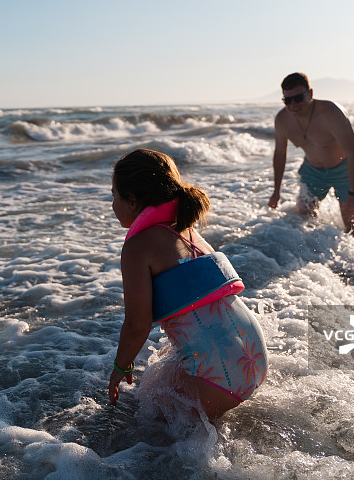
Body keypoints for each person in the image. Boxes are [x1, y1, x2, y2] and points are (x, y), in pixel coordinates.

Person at [108, 148, 268, 420]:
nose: (112, 204)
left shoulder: (139, 246)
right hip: (254, 356)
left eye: (113, 195)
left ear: (132, 200)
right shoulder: (189, 232)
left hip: (219, 377)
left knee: (148, 434)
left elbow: (137, 325)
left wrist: (120, 368)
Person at [268, 72, 354, 237]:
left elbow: (352, 153)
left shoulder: (332, 114)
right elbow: (280, 154)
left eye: (298, 98)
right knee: (303, 219)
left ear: (310, 94)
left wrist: (353, 194)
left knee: (351, 225)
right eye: (287, 100)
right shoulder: (283, 120)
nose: (293, 105)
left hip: (343, 170)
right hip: (312, 171)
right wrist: (276, 191)